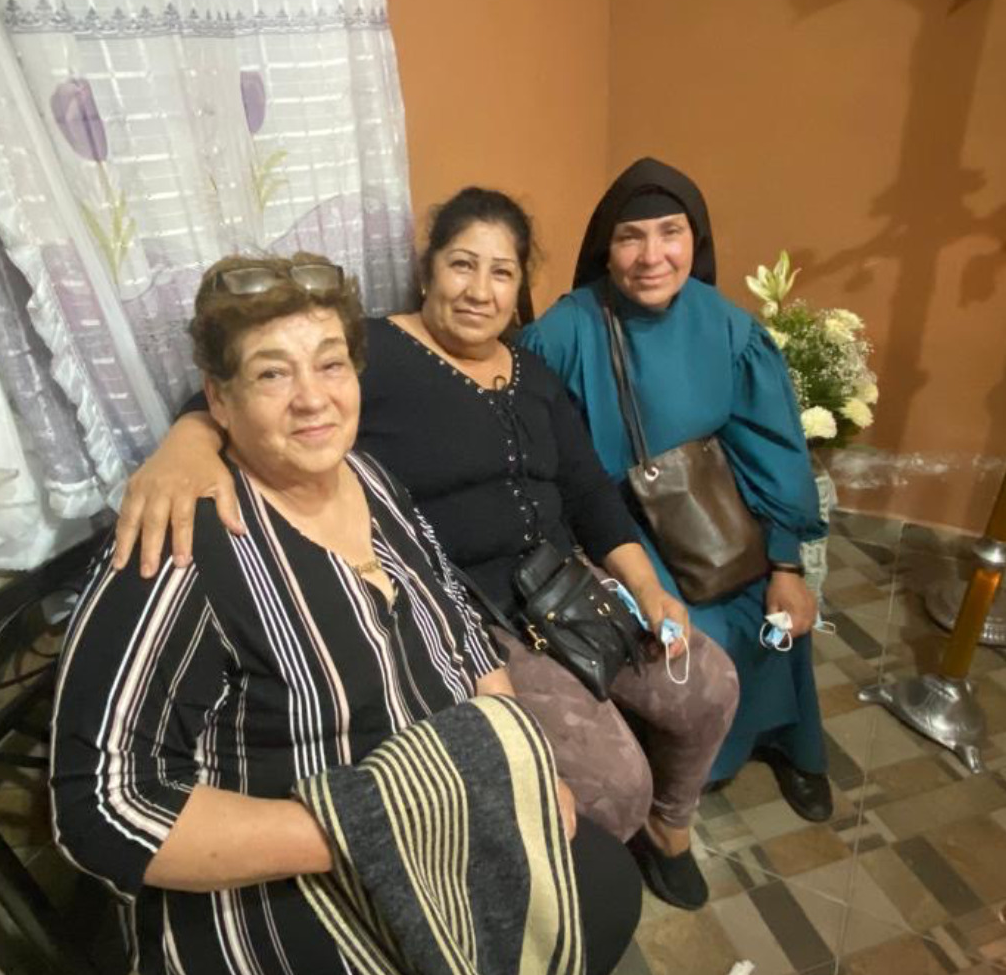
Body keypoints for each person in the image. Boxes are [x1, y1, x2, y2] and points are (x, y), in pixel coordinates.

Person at [111, 191, 740, 911]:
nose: (479, 290)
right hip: (473, 615)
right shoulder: (370, 355)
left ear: (519, 287)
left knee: (710, 686)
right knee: (614, 783)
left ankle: (668, 830)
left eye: (501, 273)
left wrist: (649, 589)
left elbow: (591, 493)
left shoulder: (533, 374)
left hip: (572, 589)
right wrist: (183, 448)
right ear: (428, 268)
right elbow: (234, 398)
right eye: (461, 265)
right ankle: (561, 881)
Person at [51, 253, 640, 975]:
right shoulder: (181, 548)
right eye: (272, 373)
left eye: (331, 364)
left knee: (604, 881)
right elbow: (100, 809)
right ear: (218, 400)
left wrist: (522, 761)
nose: (312, 399)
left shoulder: (370, 478)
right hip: (289, 911)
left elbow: (457, 623)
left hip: (440, 828)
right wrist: (377, 826)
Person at [520, 158, 833, 822]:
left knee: (773, 620)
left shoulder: (728, 328)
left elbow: (770, 447)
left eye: (671, 232)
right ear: (606, 247)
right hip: (612, 530)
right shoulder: (565, 331)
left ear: (697, 239)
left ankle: (782, 738)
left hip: (707, 513)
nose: (652, 256)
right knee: (690, 637)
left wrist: (786, 564)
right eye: (631, 237)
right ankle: (683, 773)